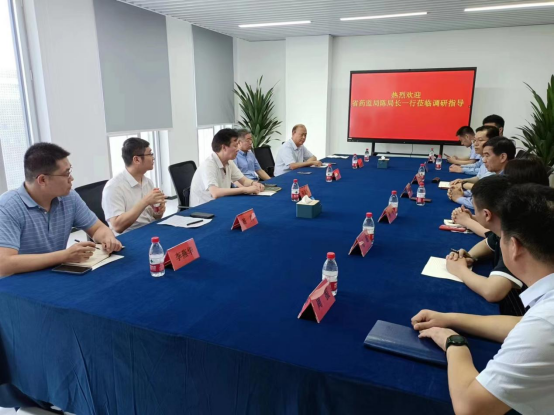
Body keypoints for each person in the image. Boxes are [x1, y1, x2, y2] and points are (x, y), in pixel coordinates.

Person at [413, 184, 554, 415]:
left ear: (514, 246)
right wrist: (450, 319)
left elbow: (471, 407)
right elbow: (522, 324)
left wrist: (454, 343)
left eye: (501, 236)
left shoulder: (546, 323)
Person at [0, 143, 121, 277]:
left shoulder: (69, 197)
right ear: (43, 180)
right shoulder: (7, 206)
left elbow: (97, 228)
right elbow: (4, 264)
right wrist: (63, 256)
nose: (71, 178)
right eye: (66, 173)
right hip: (20, 282)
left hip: (56, 274)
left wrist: (108, 238)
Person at [446, 176, 525, 316]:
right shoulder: (507, 225)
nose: (474, 215)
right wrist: (471, 256)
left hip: (520, 312)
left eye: (475, 210)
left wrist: (460, 270)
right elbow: (489, 244)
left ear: (487, 214)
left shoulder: (515, 241)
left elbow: (492, 291)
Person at [452, 157, 550, 237]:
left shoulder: (531, 217)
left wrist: (467, 221)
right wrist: (474, 218)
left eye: (507, 178)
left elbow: (494, 236)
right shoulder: (529, 206)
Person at [102, 138, 165, 235]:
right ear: (137, 159)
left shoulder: (148, 182)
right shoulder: (114, 187)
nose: (153, 158)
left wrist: (158, 212)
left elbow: (154, 217)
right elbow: (117, 227)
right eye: (150, 154)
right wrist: (145, 201)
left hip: (149, 230)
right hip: (128, 236)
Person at [189, 128, 265, 207]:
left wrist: (254, 184)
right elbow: (215, 193)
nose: (238, 149)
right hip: (203, 208)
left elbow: (244, 181)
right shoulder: (209, 165)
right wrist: (244, 189)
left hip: (221, 203)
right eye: (235, 146)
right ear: (224, 147)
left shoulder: (229, 162)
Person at [448, 128, 505, 209]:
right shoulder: (488, 160)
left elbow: (482, 201)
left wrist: (459, 195)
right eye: (474, 140)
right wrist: (463, 183)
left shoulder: (497, 171)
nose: (475, 144)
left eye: (480, 140)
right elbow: (479, 177)